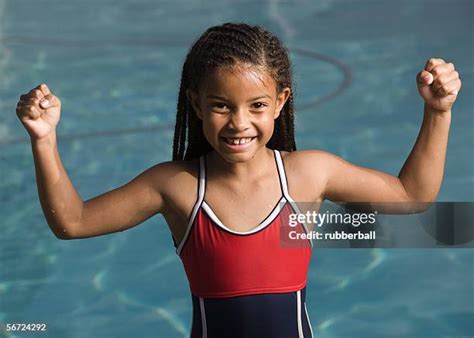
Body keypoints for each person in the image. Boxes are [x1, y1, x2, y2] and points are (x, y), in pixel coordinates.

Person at [16, 22, 461, 338]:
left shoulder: (308, 175)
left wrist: (438, 113)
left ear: (281, 102)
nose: (238, 123)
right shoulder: (177, 186)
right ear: (195, 102)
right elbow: (71, 222)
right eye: (221, 105)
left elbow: (411, 197)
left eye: (257, 105)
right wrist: (44, 139)